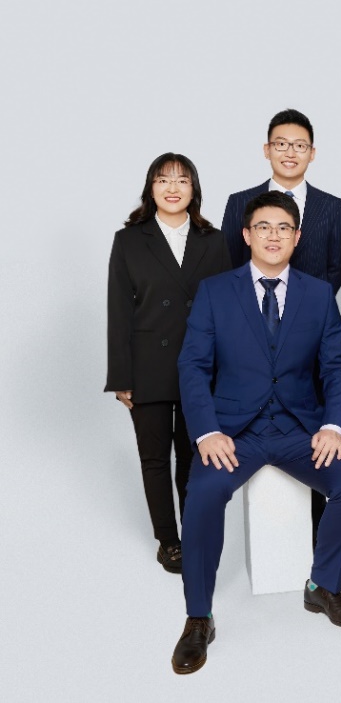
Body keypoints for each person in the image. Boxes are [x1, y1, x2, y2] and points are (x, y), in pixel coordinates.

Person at [172, 191, 341, 674]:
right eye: (264, 227)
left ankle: (322, 586)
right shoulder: (215, 292)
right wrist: (206, 432)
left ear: (297, 237)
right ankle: (199, 617)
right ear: (247, 235)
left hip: (299, 428)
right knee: (202, 497)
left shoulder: (318, 294)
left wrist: (332, 425)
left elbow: (336, 367)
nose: (274, 236)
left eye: (284, 227)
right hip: (233, 433)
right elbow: (193, 366)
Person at [220, 108, 341, 539]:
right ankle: (271, 536)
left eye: (299, 145)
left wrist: (305, 314)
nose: (289, 152)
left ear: (312, 152)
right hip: (253, 341)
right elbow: (230, 267)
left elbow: (336, 268)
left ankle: (316, 534)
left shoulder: (332, 206)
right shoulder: (240, 202)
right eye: (281, 144)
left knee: (314, 433)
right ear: (266, 149)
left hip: (310, 340)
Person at [105, 153, 231, 574]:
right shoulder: (129, 239)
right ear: (151, 188)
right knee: (155, 458)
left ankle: (194, 531)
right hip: (148, 365)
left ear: (194, 189)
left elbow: (228, 310)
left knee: (195, 455)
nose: (172, 188)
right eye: (163, 180)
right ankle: (168, 541)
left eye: (182, 180)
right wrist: (121, 376)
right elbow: (119, 310)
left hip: (202, 366)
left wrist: (229, 372)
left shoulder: (214, 240)